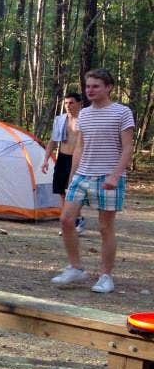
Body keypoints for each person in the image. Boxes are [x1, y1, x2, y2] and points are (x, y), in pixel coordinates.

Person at [50, 69, 135, 293]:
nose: (90, 90)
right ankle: (76, 267)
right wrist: (72, 177)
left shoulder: (122, 112)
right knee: (66, 220)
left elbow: (127, 147)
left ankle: (106, 276)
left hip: (108, 175)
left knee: (105, 227)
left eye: (96, 86)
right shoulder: (84, 114)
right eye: (88, 86)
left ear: (108, 87)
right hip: (83, 175)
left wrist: (115, 175)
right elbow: (80, 146)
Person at [41, 91, 85, 235]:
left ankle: (76, 220)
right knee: (61, 191)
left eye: (71, 102)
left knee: (75, 192)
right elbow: (53, 141)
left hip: (79, 159)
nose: (68, 106)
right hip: (63, 157)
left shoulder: (85, 120)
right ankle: (67, 221)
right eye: (66, 103)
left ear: (79, 104)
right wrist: (45, 160)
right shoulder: (60, 120)